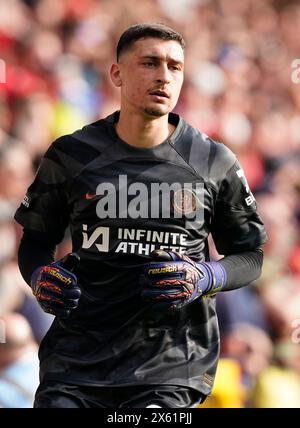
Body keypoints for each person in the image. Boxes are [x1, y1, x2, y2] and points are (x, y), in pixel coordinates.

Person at [14, 23, 267, 408]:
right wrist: (39, 276)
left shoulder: (213, 161)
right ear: (117, 72)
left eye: (175, 67)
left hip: (169, 369)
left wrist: (206, 275)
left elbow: (251, 256)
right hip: (76, 363)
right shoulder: (71, 154)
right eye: (150, 63)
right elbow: (35, 242)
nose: (164, 76)